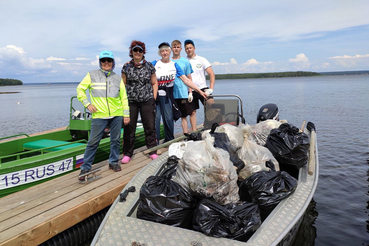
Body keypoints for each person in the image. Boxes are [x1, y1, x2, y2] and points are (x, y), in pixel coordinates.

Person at [76, 50, 130, 181]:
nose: (106, 63)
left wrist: (126, 114)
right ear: (100, 62)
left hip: (116, 114)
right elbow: (80, 89)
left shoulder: (118, 78)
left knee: (115, 140)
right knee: (93, 142)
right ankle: (86, 166)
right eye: (104, 60)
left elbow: (123, 96)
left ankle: (113, 162)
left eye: (109, 61)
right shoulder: (92, 75)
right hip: (99, 115)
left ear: (113, 63)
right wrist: (87, 104)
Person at [152, 42, 206, 144]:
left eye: (166, 50)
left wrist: (199, 91)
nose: (165, 53)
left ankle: (169, 142)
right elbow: (142, 69)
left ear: (169, 51)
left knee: (169, 120)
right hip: (156, 96)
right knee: (156, 119)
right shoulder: (155, 63)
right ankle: (155, 144)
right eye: (162, 51)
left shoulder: (174, 65)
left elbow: (186, 80)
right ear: (160, 53)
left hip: (168, 96)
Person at [120, 40, 158, 164]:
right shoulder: (126, 66)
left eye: (140, 50)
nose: (137, 52)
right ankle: (128, 153)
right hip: (131, 101)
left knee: (150, 126)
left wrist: (154, 98)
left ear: (143, 52)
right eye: (135, 50)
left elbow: (154, 83)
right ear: (131, 52)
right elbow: (123, 84)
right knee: (129, 128)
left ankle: (152, 151)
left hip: (147, 100)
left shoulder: (149, 66)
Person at [184, 39, 215, 130]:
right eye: (187, 48)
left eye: (190, 48)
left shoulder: (202, 59)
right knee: (192, 112)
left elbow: (211, 74)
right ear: (185, 50)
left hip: (203, 88)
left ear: (194, 48)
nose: (189, 50)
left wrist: (211, 89)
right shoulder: (184, 61)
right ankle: (194, 131)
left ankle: (208, 124)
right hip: (190, 90)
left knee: (211, 104)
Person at [171, 40, 195, 133]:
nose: (176, 49)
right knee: (171, 116)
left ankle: (185, 134)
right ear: (171, 49)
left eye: (178, 47)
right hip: (172, 93)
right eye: (174, 47)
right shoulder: (168, 61)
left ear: (181, 49)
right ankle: (170, 137)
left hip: (183, 93)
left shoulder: (185, 62)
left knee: (184, 115)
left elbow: (189, 77)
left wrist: (190, 92)